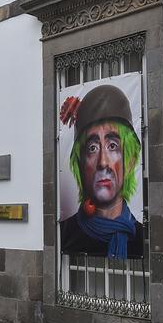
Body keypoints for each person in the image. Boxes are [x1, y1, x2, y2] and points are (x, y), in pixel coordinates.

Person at [58, 84, 144, 259]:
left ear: (130, 160)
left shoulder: (141, 238)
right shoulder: (64, 234)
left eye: (113, 146)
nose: (103, 162)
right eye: (92, 147)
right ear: (80, 163)